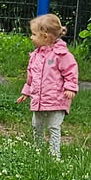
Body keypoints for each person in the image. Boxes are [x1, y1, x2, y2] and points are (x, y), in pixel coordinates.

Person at [19, 12, 79, 158]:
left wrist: (70, 88)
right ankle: (38, 150)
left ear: (45, 36)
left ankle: (54, 155)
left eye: (34, 34)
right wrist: (26, 91)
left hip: (56, 99)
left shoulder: (61, 55)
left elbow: (71, 72)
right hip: (39, 99)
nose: (31, 37)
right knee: (36, 125)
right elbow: (31, 76)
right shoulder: (35, 56)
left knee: (53, 126)